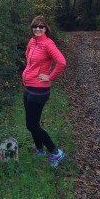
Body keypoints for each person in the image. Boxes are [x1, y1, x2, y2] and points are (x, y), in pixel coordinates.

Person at [22, 15, 67, 167]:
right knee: (33, 123)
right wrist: (30, 71)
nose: (38, 29)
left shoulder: (48, 44)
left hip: (39, 90)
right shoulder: (32, 41)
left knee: (31, 125)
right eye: (35, 26)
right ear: (32, 28)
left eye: (41, 27)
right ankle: (40, 150)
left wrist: (50, 76)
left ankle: (55, 152)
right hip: (28, 87)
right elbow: (28, 56)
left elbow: (61, 62)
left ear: (46, 28)